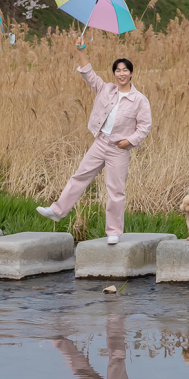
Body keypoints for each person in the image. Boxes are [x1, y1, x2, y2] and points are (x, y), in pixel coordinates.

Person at [36, 35, 152, 243]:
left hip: (119, 147)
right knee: (80, 176)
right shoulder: (106, 89)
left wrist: (130, 141)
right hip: (100, 143)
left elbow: (145, 126)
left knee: (116, 190)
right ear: (114, 73)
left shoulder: (139, 100)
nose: (121, 74)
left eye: (125, 70)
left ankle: (114, 232)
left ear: (131, 73)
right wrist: (81, 51)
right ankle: (57, 210)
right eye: (118, 70)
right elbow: (89, 74)